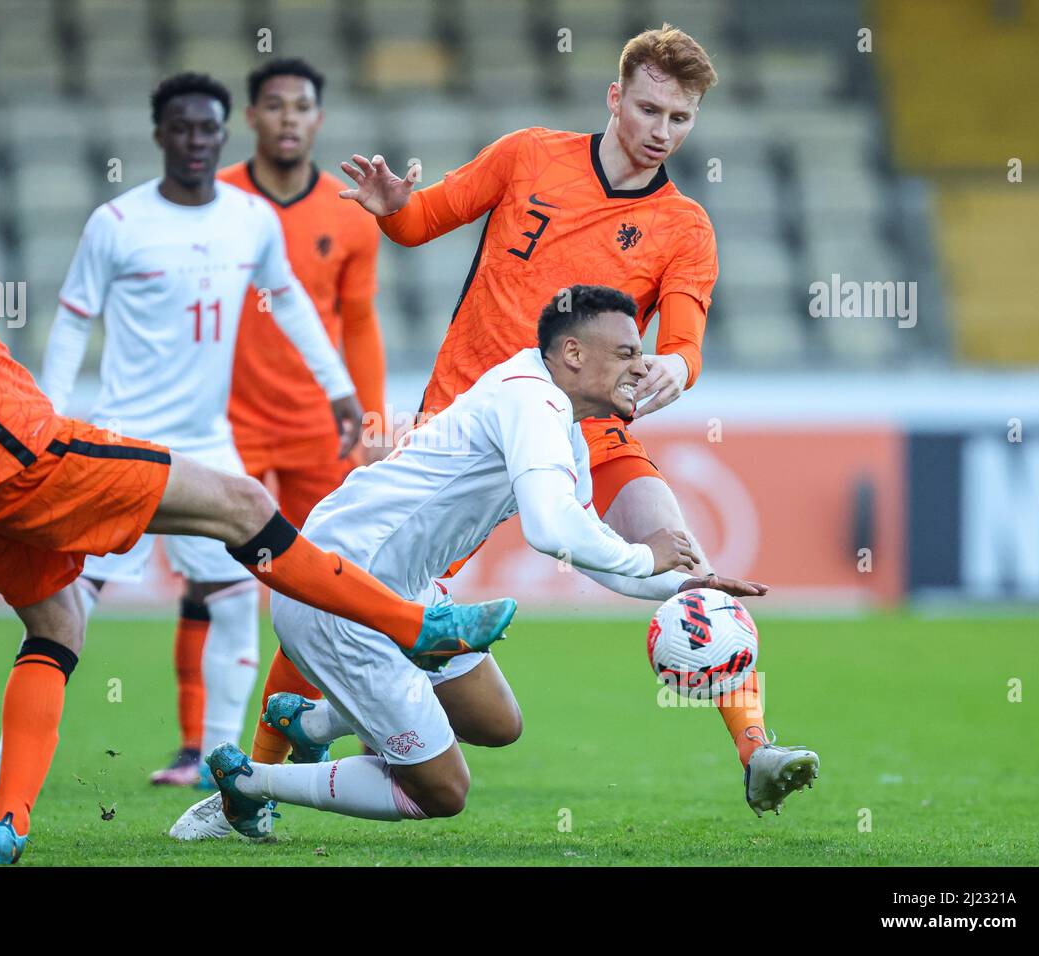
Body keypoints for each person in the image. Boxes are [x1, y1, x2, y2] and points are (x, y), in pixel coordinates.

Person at [0, 68, 515, 865]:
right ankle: (419, 626)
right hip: (28, 451)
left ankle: (7, 824)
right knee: (238, 504)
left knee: (58, 624)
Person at [336, 24, 816, 809]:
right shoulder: (529, 154)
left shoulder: (685, 227)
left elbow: (686, 340)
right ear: (615, 97)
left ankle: (756, 750)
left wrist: (673, 365)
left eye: (681, 119)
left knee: (682, 559)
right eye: (651, 110)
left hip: (592, 430)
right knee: (363, 593)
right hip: (466, 428)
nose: (663, 132)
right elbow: (422, 221)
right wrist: (392, 209)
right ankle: (266, 762)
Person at [172, 288, 812, 842]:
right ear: (572, 355)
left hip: (398, 587)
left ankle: (311, 720)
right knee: (441, 792)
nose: (641, 367)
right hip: (336, 593)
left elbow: (579, 543)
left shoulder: (558, 420)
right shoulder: (532, 401)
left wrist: (683, 583)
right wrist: (648, 553)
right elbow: (548, 528)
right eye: (626, 353)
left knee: (495, 722)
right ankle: (252, 783)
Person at [0, 71, 363, 794]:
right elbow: (74, 319)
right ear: (159, 134)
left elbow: (288, 300)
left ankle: (219, 760)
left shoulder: (250, 219)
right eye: (181, 128)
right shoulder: (118, 223)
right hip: (120, 438)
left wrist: (337, 386)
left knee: (237, 593)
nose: (195, 140)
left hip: (206, 442)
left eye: (207, 129)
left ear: (223, 134)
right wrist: (49, 418)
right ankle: (9, 755)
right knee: (69, 595)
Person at [217, 57, 389, 772]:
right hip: (229, 424)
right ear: (251, 117)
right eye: (275, 105)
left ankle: (284, 745)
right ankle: (206, 742)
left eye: (302, 106)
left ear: (318, 120)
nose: (289, 118)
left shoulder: (348, 214)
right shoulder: (215, 199)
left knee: (325, 584)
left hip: (323, 426)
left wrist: (373, 423)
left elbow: (359, 323)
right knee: (221, 583)